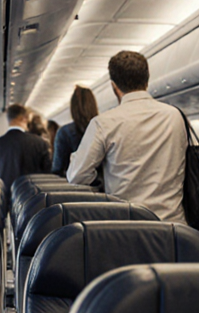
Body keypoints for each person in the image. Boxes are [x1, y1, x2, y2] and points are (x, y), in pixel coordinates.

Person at [67, 51, 187, 224]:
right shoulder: (175, 116)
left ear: (114, 86)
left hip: (126, 228)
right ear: (147, 80)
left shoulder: (104, 123)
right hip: (174, 228)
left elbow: (76, 176)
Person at [0, 104, 52, 198]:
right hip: (32, 197)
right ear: (24, 119)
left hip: (4, 197)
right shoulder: (40, 143)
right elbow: (47, 174)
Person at [52, 86, 99, 177]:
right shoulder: (103, 127)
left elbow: (58, 168)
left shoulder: (64, 132)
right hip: (103, 186)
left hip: (76, 187)